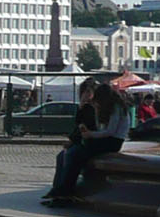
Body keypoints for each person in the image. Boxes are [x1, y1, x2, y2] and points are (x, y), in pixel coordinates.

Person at [44, 79, 127, 207]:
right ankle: (62, 191)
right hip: (106, 140)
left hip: (113, 142)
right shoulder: (107, 107)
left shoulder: (116, 107)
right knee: (74, 154)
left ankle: (64, 191)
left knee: (75, 154)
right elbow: (96, 128)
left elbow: (110, 131)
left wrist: (89, 134)